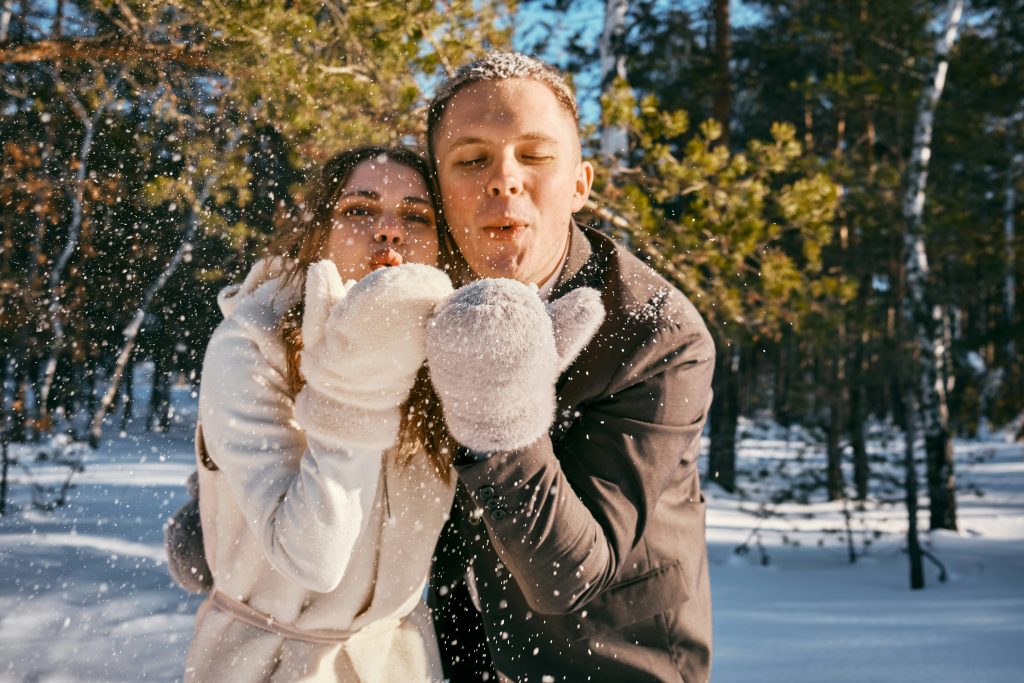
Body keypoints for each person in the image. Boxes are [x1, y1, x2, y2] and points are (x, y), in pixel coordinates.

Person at [422, 53, 716, 682]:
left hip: (611, 663)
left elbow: (569, 575)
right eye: (472, 159)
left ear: (580, 183)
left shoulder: (655, 332)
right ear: (438, 187)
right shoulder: (420, 295)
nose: (504, 179)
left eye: (534, 155)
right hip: (446, 657)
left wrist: (499, 414)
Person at [179, 146, 462, 682]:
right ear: (319, 235)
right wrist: (355, 389)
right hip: (264, 664)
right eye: (359, 209)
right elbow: (314, 558)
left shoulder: (446, 352)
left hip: (397, 661)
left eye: (417, 215)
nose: (389, 231)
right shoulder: (249, 345)